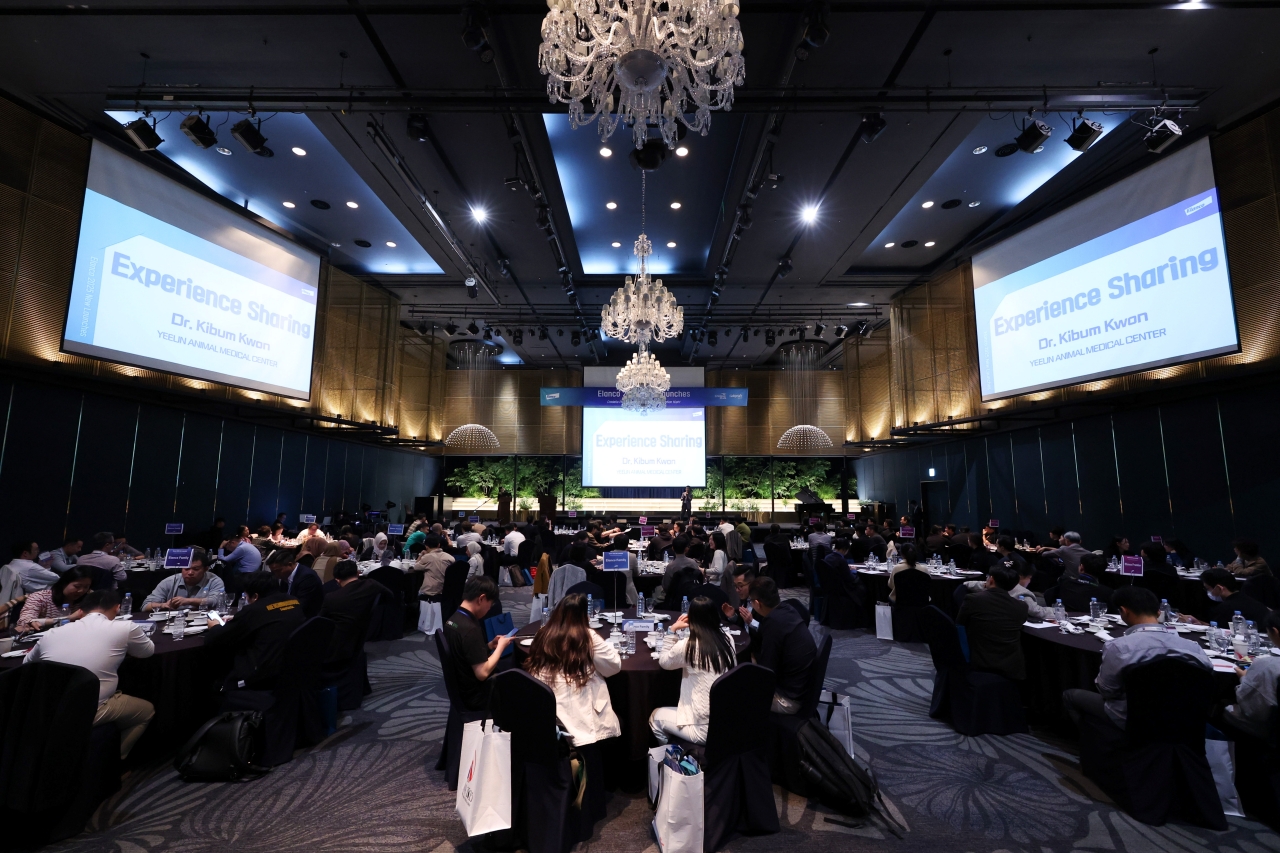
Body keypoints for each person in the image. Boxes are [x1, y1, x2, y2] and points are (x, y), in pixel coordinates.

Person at [24, 589, 155, 758]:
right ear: (117, 608)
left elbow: (26, 664)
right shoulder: (125, 627)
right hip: (90, 708)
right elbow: (147, 652)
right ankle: (113, 765)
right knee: (146, 711)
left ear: (80, 611)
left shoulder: (50, 634)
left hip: (45, 708)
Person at [1063, 585, 1212, 731]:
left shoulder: (1119, 647)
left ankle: (1102, 741)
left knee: (1070, 696)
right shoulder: (1194, 648)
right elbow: (1207, 683)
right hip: (1184, 720)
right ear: (1158, 612)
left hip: (1131, 718)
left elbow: (1107, 691)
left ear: (1124, 611)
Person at [524, 592, 621, 745]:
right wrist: (610, 647)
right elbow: (613, 666)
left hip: (547, 708)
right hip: (578, 712)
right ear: (584, 616)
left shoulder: (543, 633)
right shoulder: (587, 636)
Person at [650, 596, 737, 744]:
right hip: (729, 719)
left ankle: (673, 754)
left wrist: (672, 631)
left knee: (655, 718)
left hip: (704, 729)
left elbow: (664, 662)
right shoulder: (728, 638)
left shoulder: (689, 646)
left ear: (691, 619)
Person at [203, 571, 307, 690]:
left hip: (260, 676)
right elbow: (272, 615)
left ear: (255, 596)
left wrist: (214, 626)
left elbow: (215, 639)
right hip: (291, 669)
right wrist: (239, 619)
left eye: (246, 595)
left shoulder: (254, 611)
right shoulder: (293, 601)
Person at [746, 576, 816, 714]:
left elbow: (767, 672)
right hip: (803, 687)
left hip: (789, 700)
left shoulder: (772, 624)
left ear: (757, 603)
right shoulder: (788, 609)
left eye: (751, 601)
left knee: (735, 692)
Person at [443, 576, 513, 711]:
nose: (489, 609)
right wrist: (500, 647)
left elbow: (465, 653)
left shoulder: (453, 620)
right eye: (490, 604)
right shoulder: (470, 629)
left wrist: (489, 646)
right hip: (476, 696)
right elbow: (482, 673)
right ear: (481, 599)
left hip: (461, 688)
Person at [956, 564, 1030, 681]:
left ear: (991, 580)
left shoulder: (973, 599)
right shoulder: (1022, 606)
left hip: (978, 661)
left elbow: (960, 625)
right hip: (1011, 666)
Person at [1220, 611, 1280, 739]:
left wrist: (1244, 678)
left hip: (1266, 732)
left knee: (1220, 704)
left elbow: (1253, 708)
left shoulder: (1267, 665)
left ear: (1275, 632)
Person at [320, 560, 392, 664]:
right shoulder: (372, 585)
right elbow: (389, 596)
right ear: (358, 573)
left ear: (337, 580)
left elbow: (320, 622)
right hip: (360, 639)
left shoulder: (331, 598)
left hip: (335, 648)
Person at [1179, 566, 1271, 627]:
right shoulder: (1249, 600)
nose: (1208, 592)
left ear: (1219, 588)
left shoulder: (1226, 608)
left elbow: (1218, 633)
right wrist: (1198, 623)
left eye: (1208, 588)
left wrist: (1191, 624)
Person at [142, 548, 225, 612]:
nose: (190, 572)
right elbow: (145, 606)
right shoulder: (169, 581)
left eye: (196, 569)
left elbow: (217, 601)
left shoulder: (214, 581)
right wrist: (163, 605)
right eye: (186, 569)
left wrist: (188, 601)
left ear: (206, 569)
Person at [15, 566, 93, 633]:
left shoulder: (87, 600)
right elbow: (25, 621)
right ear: (64, 583)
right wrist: (70, 618)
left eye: (86, 587)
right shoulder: (41, 597)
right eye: (77, 586)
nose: (81, 591)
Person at [265, 547, 323, 618]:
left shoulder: (308, 577)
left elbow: (301, 605)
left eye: (278, 571)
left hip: (306, 617)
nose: (276, 575)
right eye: (273, 572)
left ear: (290, 565)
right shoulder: (285, 574)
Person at [657, 535, 701, 605]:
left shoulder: (671, 566)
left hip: (675, 598)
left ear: (672, 548)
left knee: (657, 590)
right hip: (692, 596)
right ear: (686, 549)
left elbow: (666, 586)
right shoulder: (693, 563)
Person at [416, 534, 454, 599]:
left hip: (430, 591)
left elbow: (416, 567)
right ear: (439, 545)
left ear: (426, 547)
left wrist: (421, 554)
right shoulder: (450, 557)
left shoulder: (427, 557)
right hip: (447, 591)